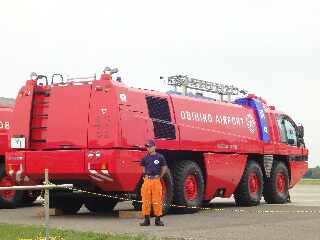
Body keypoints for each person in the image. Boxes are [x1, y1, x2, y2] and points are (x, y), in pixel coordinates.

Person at [140, 140, 167, 226]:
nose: (148, 149)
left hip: (156, 180)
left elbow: (164, 168)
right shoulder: (145, 158)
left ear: (154, 147)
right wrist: (145, 176)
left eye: (150, 147)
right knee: (146, 200)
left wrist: (160, 176)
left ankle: (158, 219)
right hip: (147, 181)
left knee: (157, 200)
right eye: (147, 147)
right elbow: (143, 168)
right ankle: (146, 220)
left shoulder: (160, 157)